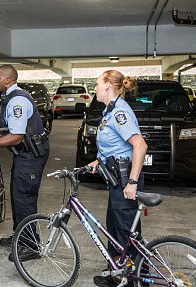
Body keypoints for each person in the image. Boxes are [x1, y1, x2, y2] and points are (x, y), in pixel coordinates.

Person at [0, 64, 50, 261]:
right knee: (18, 195)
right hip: (25, 155)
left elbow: (16, 136)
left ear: (8, 80)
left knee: (24, 198)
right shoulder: (10, 97)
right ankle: (21, 234)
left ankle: (31, 245)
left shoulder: (17, 101)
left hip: (31, 157)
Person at [86, 70, 148, 287]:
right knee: (115, 229)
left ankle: (135, 281)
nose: (94, 88)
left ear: (107, 87)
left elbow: (140, 146)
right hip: (115, 178)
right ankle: (117, 275)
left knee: (126, 233)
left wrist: (131, 182)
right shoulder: (109, 111)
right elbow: (114, 144)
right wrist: (98, 161)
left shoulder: (120, 111)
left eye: (96, 84)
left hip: (124, 180)